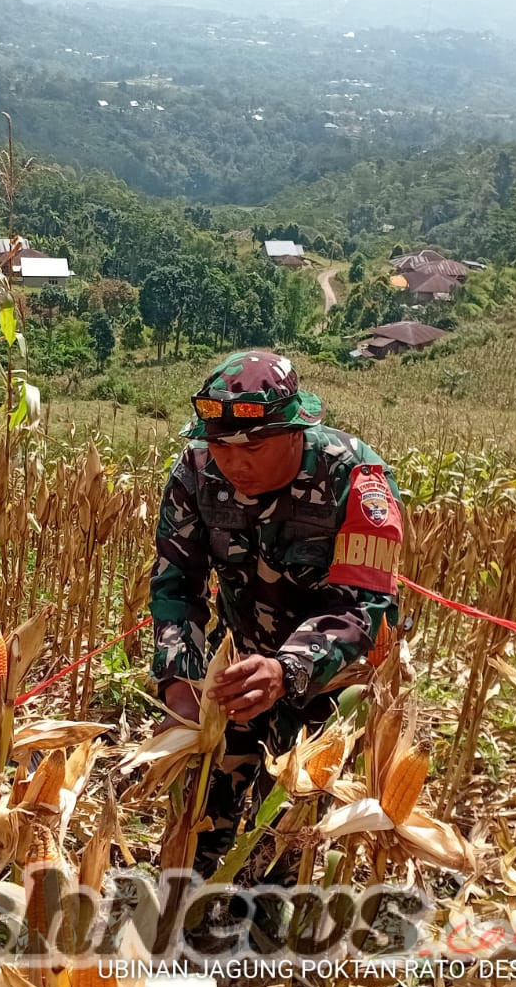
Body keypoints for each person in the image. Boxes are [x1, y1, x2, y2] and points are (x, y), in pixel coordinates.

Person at [150, 350, 403, 875]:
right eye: (219, 445)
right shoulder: (197, 472)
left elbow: (363, 603)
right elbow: (177, 586)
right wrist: (180, 682)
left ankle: (264, 937)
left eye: (255, 446)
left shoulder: (355, 477)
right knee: (197, 825)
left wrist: (288, 670)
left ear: (295, 431)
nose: (234, 462)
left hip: (328, 686)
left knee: (282, 845)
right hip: (238, 672)